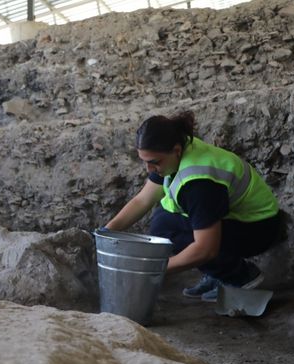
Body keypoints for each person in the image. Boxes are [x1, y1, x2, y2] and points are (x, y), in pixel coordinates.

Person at [105, 111, 282, 302]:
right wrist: (106, 232)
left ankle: (240, 277)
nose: (149, 169)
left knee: (173, 233)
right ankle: (218, 273)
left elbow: (205, 249)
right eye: (145, 162)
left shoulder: (199, 184)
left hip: (257, 229)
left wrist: (153, 270)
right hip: (236, 220)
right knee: (162, 223)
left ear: (176, 150)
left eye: (153, 162)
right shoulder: (172, 152)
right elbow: (143, 200)